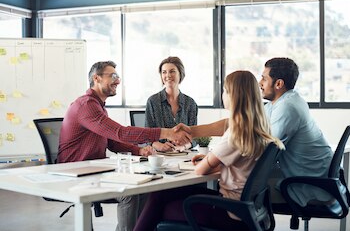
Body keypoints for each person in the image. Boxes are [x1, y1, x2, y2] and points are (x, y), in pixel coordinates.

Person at [134, 70, 284, 231]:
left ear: (233, 95)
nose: (223, 95)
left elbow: (200, 170)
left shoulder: (236, 134)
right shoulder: (257, 128)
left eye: (225, 91)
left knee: (163, 205)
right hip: (246, 210)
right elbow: (238, 159)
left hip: (229, 212)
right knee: (162, 194)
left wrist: (209, 159)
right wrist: (212, 157)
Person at [58, 61, 191, 231]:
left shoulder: (97, 106)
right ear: (96, 78)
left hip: (93, 170)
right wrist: (165, 133)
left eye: (118, 76)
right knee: (128, 194)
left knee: (142, 188)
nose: (118, 81)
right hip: (75, 172)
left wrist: (138, 150)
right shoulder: (87, 105)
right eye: (112, 76)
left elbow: (112, 141)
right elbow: (121, 133)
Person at [259, 57, 334, 206]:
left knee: (242, 191)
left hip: (312, 187)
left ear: (279, 84)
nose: (259, 83)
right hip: (314, 179)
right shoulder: (285, 101)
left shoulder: (287, 107)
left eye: (264, 79)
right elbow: (247, 121)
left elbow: (264, 152)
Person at [145, 56, 198, 152]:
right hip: (159, 155)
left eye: (172, 71)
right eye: (164, 72)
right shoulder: (153, 101)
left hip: (183, 154)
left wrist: (183, 147)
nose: (168, 75)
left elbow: (194, 136)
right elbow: (147, 136)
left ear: (180, 74)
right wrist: (160, 146)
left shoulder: (190, 103)